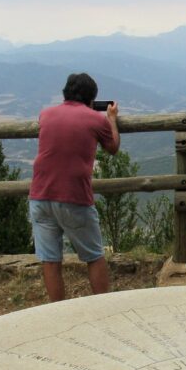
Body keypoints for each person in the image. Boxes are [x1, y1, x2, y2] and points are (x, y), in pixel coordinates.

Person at [29, 73, 120, 302]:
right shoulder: (95, 119)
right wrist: (111, 119)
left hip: (39, 195)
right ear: (91, 98)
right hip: (74, 196)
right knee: (94, 256)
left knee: (50, 259)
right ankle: (102, 308)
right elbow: (113, 147)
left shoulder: (45, 114)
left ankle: (58, 312)